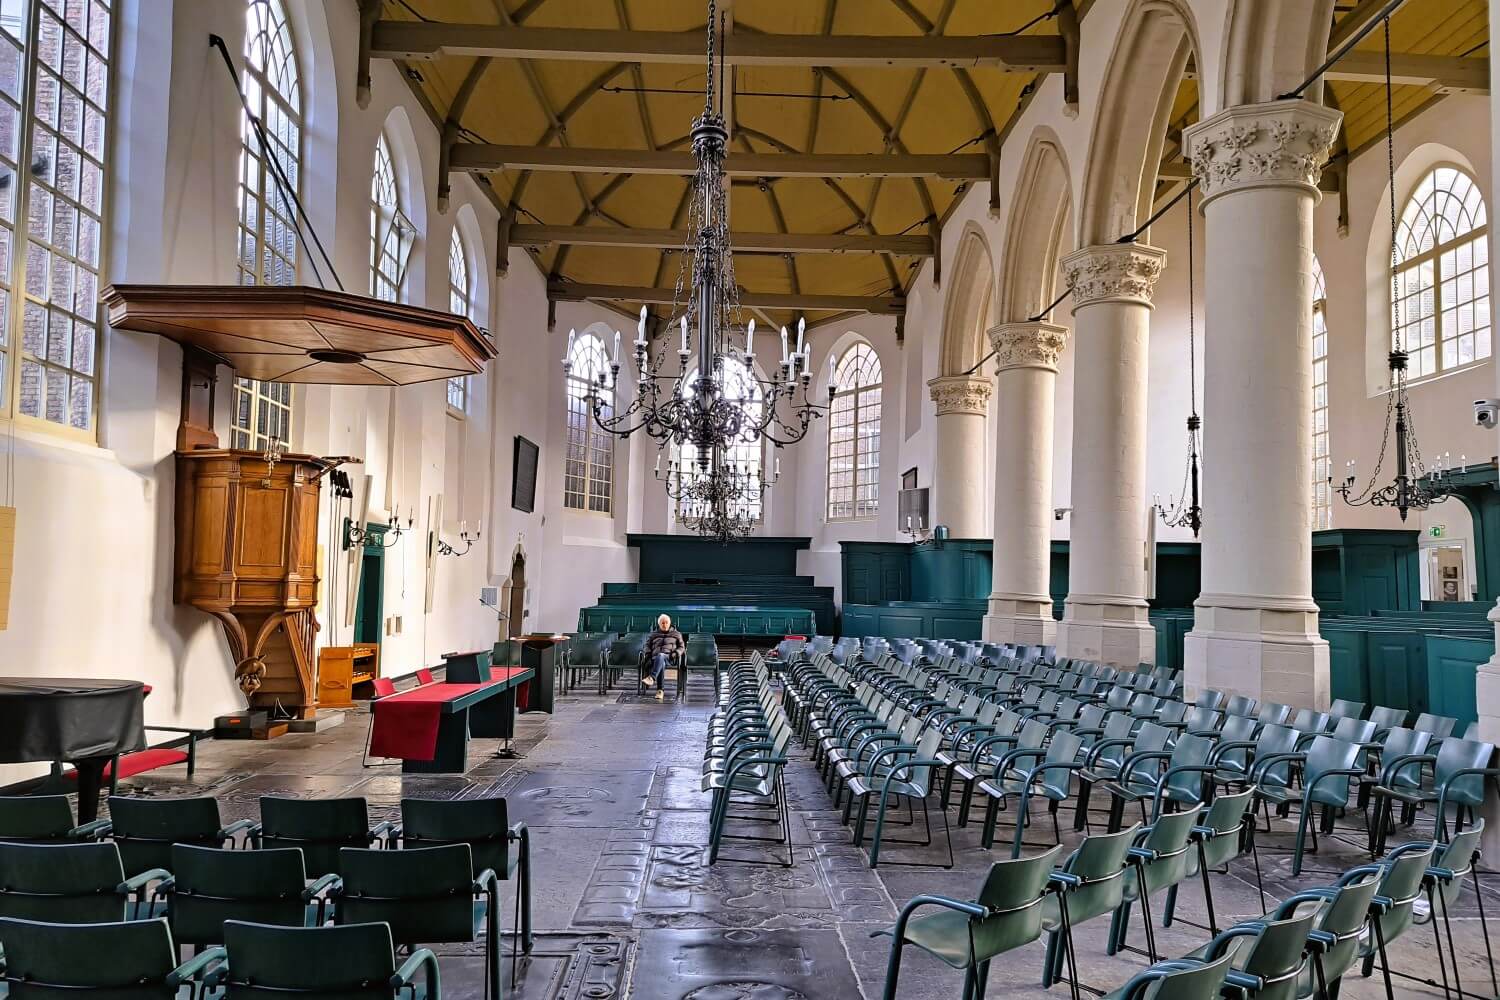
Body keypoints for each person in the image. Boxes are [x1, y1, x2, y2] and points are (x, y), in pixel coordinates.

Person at [642, 613, 684, 697]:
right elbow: (646, 645)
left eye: (666, 623)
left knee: (661, 656)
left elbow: (682, 647)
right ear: (659, 624)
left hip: (670, 657)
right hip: (655, 658)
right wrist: (648, 653)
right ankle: (660, 691)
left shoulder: (676, 634)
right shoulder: (654, 634)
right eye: (662, 623)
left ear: (669, 623)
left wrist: (676, 653)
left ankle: (652, 678)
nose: (664, 625)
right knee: (661, 662)